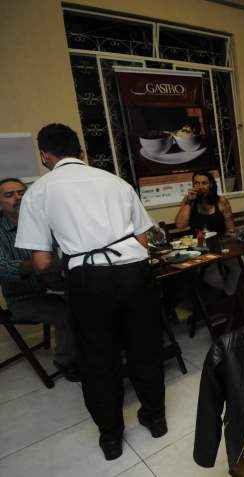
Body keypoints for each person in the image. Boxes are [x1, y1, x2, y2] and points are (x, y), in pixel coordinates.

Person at [15, 124, 166, 460]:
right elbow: (143, 239)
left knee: (98, 358)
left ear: (44, 155)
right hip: (135, 273)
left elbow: (40, 262)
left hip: (89, 280)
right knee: (144, 347)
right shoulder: (115, 181)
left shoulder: (39, 192)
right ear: (80, 150)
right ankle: (155, 419)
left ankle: (112, 438)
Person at [0, 178, 78, 380]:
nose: (17, 198)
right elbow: (4, 269)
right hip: (24, 298)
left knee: (95, 294)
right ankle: (66, 362)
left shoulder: (41, 219)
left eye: (21, 192)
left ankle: (98, 349)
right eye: (9, 195)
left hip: (55, 284)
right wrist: (39, 263)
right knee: (66, 313)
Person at [175, 171, 240, 295]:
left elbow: (230, 225)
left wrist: (232, 244)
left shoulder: (221, 201)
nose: (200, 186)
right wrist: (189, 202)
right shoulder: (189, 201)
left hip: (221, 245)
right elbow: (180, 225)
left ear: (210, 184)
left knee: (236, 269)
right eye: (196, 183)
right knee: (213, 277)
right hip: (199, 248)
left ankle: (228, 297)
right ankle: (226, 298)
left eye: (204, 183)